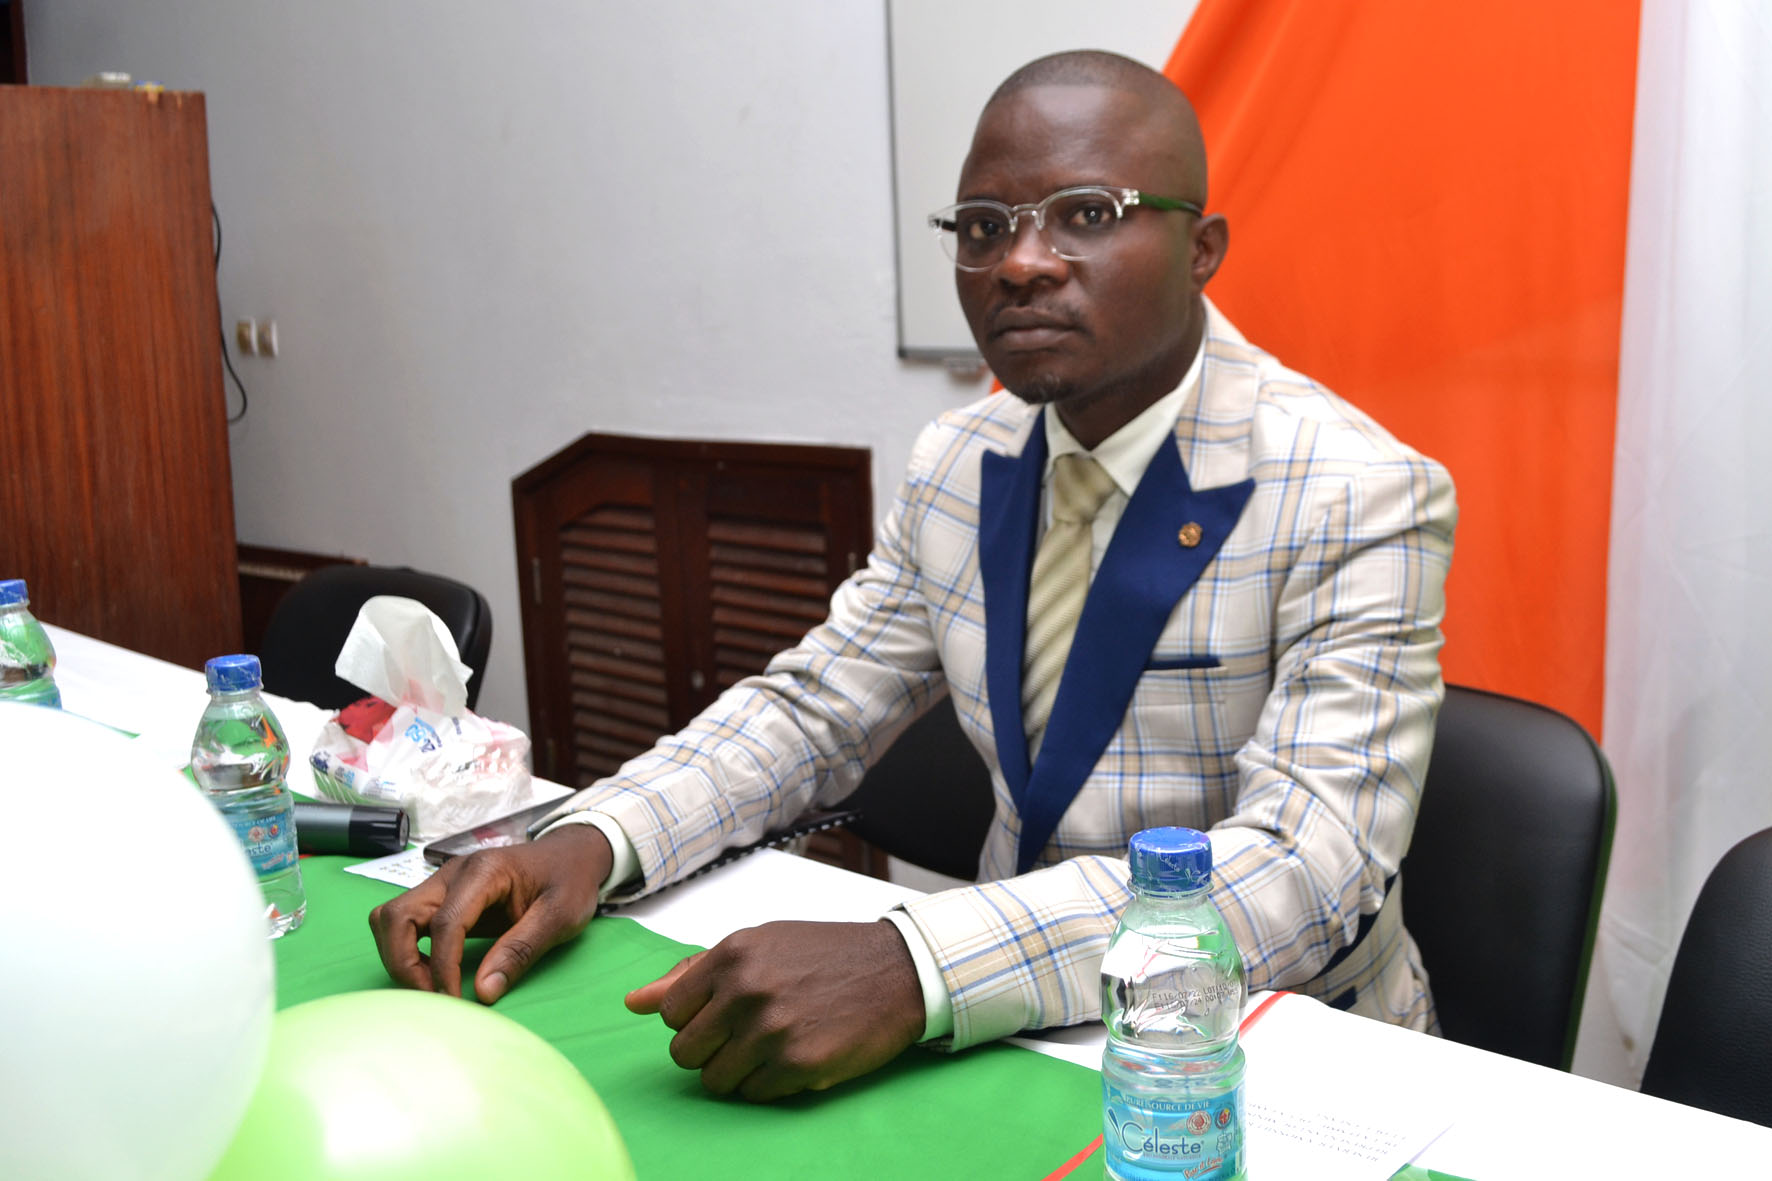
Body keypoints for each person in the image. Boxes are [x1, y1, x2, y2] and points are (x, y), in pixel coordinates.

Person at [370, 49, 1455, 1102]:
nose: (1020, 263)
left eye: (1086, 213)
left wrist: (914, 962)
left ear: (1201, 247)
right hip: (1021, 1030)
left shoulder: (1356, 490)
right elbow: (813, 710)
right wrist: (590, 837)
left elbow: (1303, 867)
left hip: (1276, 1056)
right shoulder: (959, 460)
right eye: (983, 227)